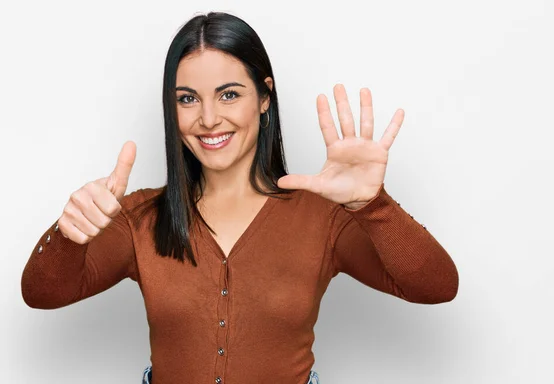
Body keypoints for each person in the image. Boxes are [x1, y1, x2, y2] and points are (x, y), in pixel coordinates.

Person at [20, 11, 459, 384]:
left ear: (265, 96)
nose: (209, 119)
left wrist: (372, 205)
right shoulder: (140, 217)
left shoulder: (324, 217)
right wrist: (67, 234)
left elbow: (437, 287)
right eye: (188, 99)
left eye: (229, 94)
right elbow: (41, 293)